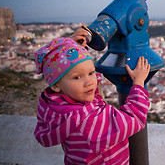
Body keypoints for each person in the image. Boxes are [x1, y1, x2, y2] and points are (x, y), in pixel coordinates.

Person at [33, 29, 151, 164]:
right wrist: (139, 83)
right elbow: (133, 119)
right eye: (77, 77)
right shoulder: (88, 120)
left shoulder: (57, 108)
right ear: (56, 85)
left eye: (91, 73)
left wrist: (73, 46)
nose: (90, 82)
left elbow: (80, 75)